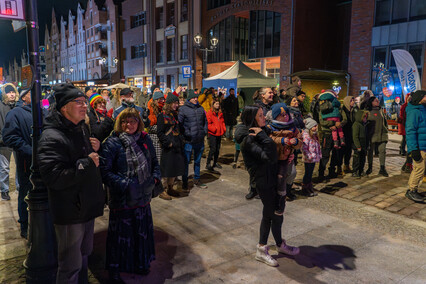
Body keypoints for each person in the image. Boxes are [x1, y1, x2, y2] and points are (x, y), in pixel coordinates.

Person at [38, 83, 105, 283]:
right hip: (70, 211)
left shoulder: (81, 128)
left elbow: (86, 157)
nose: (84, 106)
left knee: (84, 256)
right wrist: (87, 163)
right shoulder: (51, 136)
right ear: (64, 107)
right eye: (79, 102)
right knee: (70, 266)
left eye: (85, 102)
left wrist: (96, 147)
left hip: (86, 205)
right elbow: (54, 177)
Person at [234, 105, 299, 267]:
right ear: (252, 118)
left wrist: (287, 153)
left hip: (273, 177)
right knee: (269, 214)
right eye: (261, 116)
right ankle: (261, 249)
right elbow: (269, 156)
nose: (265, 118)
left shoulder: (263, 132)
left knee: (277, 213)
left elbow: (275, 152)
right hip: (263, 181)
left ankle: (279, 244)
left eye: (264, 115)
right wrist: (264, 137)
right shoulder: (249, 139)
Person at [100, 108, 160, 281]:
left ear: (138, 122)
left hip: (143, 198)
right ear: (120, 123)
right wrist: (126, 185)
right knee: (120, 236)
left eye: (133, 121)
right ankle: (115, 269)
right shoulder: (112, 143)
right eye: (125, 121)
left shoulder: (145, 139)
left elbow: (155, 163)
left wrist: (154, 179)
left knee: (140, 233)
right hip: (122, 199)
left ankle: (140, 263)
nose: (129, 125)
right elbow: (104, 171)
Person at [2, 89, 38, 238]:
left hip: (43, 159)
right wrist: (29, 150)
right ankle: (24, 224)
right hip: (26, 160)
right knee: (26, 191)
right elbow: (9, 137)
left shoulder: (41, 111)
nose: (37, 95)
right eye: (32, 93)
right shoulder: (15, 113)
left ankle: (40, 222)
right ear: (24, 97)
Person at [266, 103, 302, 211]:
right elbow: (268, 139)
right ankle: (277, 198)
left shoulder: (292, 127)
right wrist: (281, 140)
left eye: (286, 114)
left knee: (291, 173)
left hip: (287, 156)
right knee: (278, 177)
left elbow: (299, 140)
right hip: (275, 158)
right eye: (281, 115)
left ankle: (287, 191)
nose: (285, 116)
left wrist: (296, 142)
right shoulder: (270, 127)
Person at [157, 93, 186, 198]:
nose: (176, 105)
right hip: (168, 147)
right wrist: (168, 143)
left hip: (177, 145)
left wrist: (181, 140)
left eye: (177, 103)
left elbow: (179, 129)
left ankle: (170, 188)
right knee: (166, 169)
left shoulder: (175, 115)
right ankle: (162, 190)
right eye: (174, 103)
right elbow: (159, 132)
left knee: (174, 168)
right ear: (169, 103)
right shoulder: (161, 116)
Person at [178, 89, 208, 190]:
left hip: (199, 139)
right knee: (186, 162)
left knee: (198, 161)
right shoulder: (183, 109)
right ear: (189, 98)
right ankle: (185, 181)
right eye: (194, 98)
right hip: (188, 141)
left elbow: (205, 121)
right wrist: (187, 133)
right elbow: (180, 124)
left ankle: (197, 178)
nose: (196, 99)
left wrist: (204, 131)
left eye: (196, 97)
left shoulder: (200, 108)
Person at [405, 90, 426, 203]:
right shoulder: (414, 111)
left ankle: (415, 189)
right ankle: (411, 190)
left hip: (424, 144)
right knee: (419, 168)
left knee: (421, 169)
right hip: (419, 146)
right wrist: (413, 149)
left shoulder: (423, 109)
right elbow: (410, 131)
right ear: (420, 98)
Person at [0, 83, 18, 201]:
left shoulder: (17, 106)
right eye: (9, 92)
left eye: (13, 92)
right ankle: (4, 190)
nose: (11, 94)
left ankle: (19, 187)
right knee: (4, 167)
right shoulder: (1, 106)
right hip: (3, 142)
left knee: (20, 165)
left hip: (17, 141)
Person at [365, 96, 389, 177]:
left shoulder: (380, 110)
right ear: (371, 102)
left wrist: (386, 128)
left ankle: (382, 168)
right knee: (370, 152)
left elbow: (385, 121)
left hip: (382, 134)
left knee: (382, 151)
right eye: (375, 101)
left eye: (378, 100)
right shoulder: (367, 111)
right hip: (372, 135)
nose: (377, 102)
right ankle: (370, 167)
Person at [301, 118, 321, 196]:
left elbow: (317, 146)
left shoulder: (314, 135)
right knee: (307, 173)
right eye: (314, 126)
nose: (315, 127)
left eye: (316, 126)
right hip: (308, 158)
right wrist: (309, 156)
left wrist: (318, 154)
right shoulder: (306, 135)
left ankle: (309, 187)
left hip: (313, 158)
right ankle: (305, 188)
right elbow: (304, 148)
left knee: (310, 173)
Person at [206, 99, 226, 171]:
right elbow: (208, 124)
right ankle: (208, 163)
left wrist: (223, 129)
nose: (218, 105)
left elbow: (222, 122)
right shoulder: (209, 113)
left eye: (218, 104)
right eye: (216, 104)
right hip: (213, 134)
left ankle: (215, 162)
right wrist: (214, 129)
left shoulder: (220, 113)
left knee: (217, 149)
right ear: (213, 105)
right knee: (213, 149)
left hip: (219, 133)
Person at [147, 91, 165, 162]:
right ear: (156, 100)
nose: (163, 101)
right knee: (157, 159)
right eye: (161, 99)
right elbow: (150, 126)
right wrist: (162, 128)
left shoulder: (160, 108)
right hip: (154, 137)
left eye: (163, 99)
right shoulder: (151, 109)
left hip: (160, 135)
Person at [351, 110, 369, 178]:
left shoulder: (364, 125)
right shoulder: (356, 124)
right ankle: (355, 171)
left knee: (362, 158)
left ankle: (361, 170)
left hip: (363, 143)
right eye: (364, 117)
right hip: (358, 143)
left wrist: (367, 145)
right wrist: (358, 146)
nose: (365, 119)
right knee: (357, 158)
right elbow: (355, 136)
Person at [341, 96, 355, 173]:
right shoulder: (343, 110)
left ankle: (346, 165)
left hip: (350, 133)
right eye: (351, 100)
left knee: (348, 150)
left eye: (353, 100)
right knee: (341, 151)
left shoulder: (353, 111)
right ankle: (339, 166)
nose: (353, 102)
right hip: (343, 132)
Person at [399, 93, 412, 172]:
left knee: (409, 144)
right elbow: (403, 117)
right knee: (409, 144)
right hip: (407, 128)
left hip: (407, 128)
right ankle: (407, 164)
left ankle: (407, 164)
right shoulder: (406, 107)